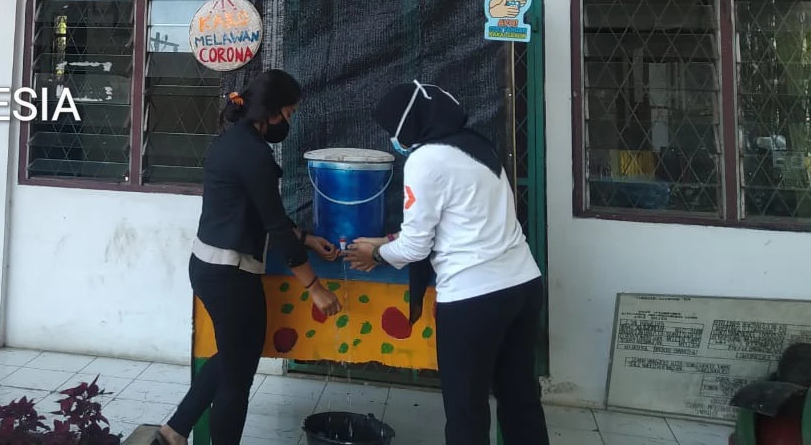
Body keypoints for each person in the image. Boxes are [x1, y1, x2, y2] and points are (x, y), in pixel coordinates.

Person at [346, 81, 548, 445]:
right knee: (520, 398)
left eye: (394, 130)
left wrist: (375, 253)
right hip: (524, 285)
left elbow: (415, 248)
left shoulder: (426, 159)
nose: (394, 138)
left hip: (474, 299)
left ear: (409, 123)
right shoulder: (477, 144)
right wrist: (388, 241)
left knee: (466, 410)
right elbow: (460, 223)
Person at [159, 69, 341, 445]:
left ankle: (174, 431)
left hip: (212, 266)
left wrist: (305, 237)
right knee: (237, 376)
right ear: (272, 112)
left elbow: (258, 210)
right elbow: (273, 224)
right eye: (289, 114)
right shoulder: (253, 153)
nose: (288, 122)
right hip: (229, 274)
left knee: (233, 356)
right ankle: (176, 431)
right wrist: (315, 287)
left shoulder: (234, 141)